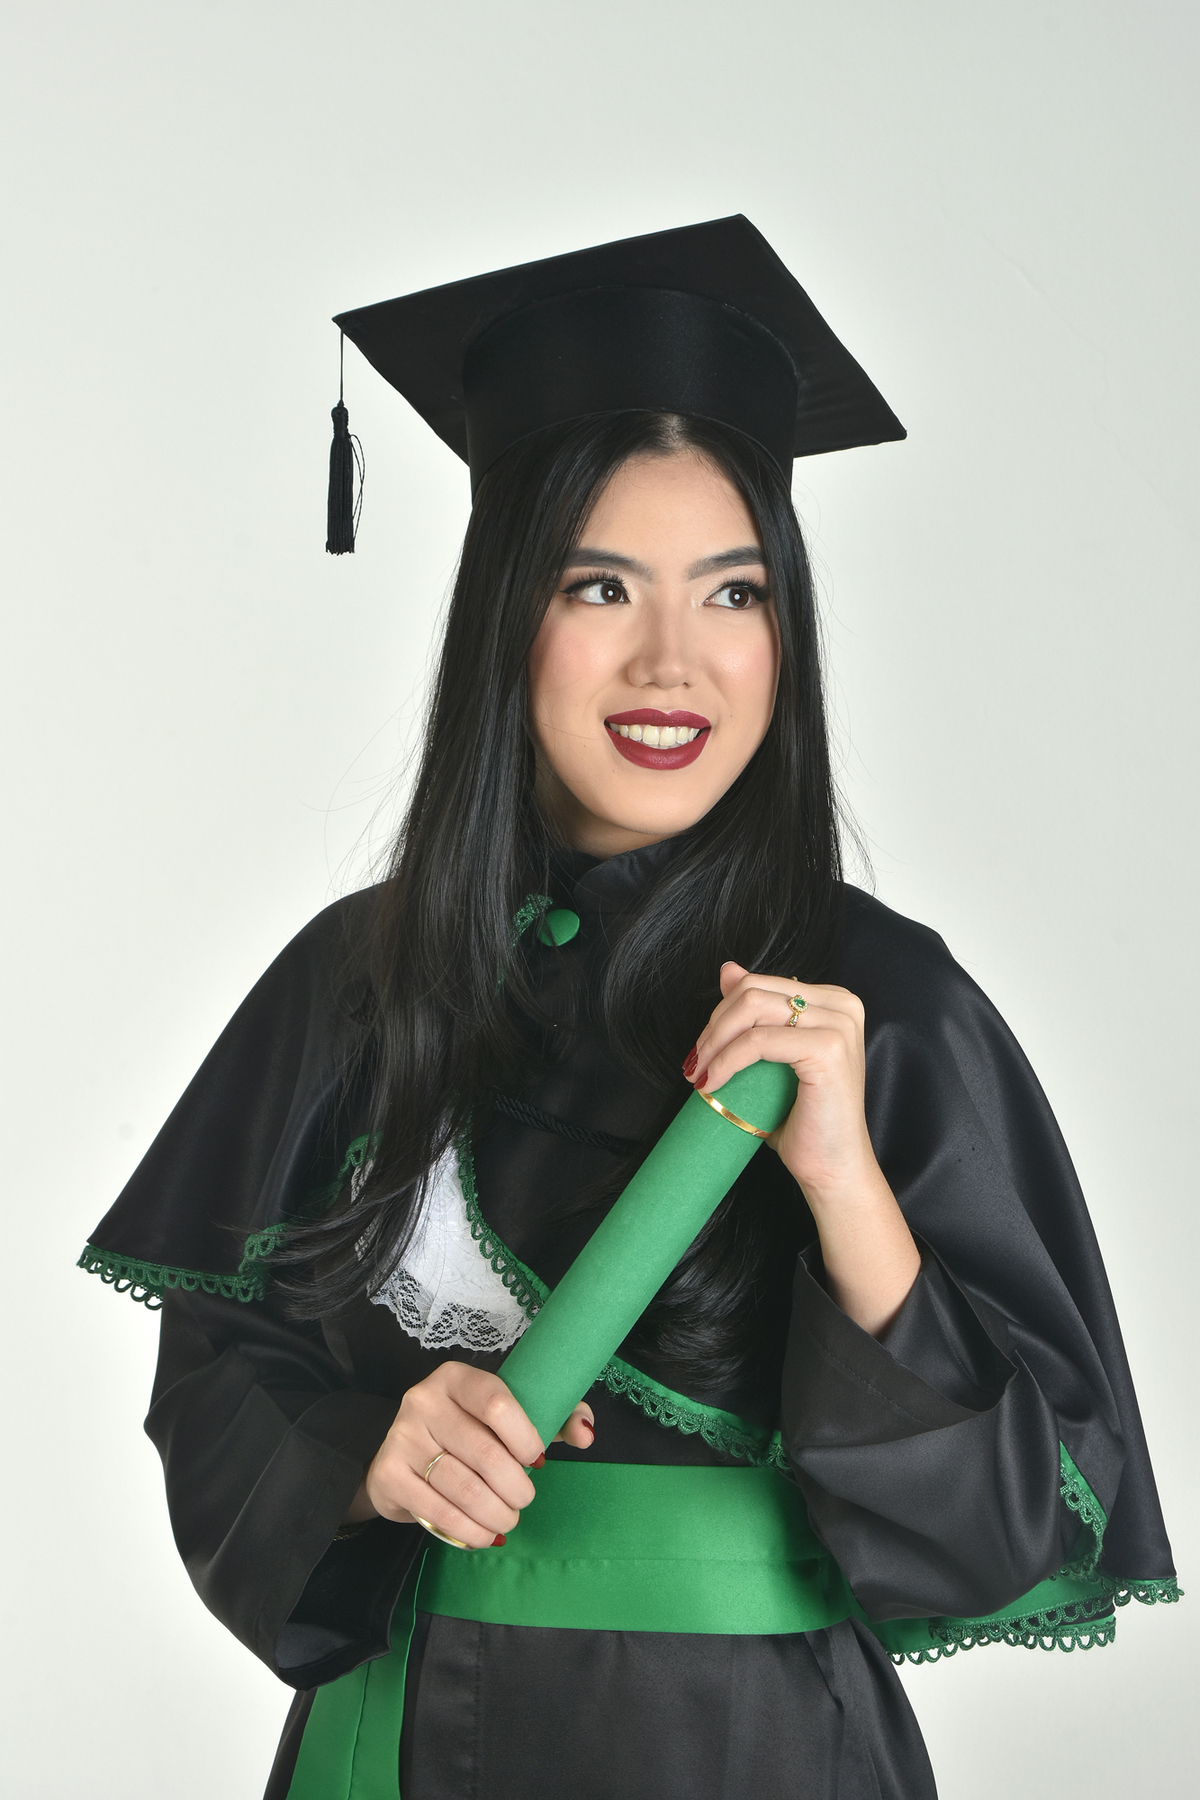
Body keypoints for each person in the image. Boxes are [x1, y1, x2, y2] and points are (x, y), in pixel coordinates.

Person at [79, 217, 1177, 1800]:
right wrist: (366, 1459)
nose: (675, 662)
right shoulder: (350, 982)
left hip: (745, 1748)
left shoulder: (878, 1003)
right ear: (505, 616)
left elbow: (1010, 1539)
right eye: (602, 586)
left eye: (734, 595)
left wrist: (847, 1190)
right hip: (391, 1739)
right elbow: (216, 1387)